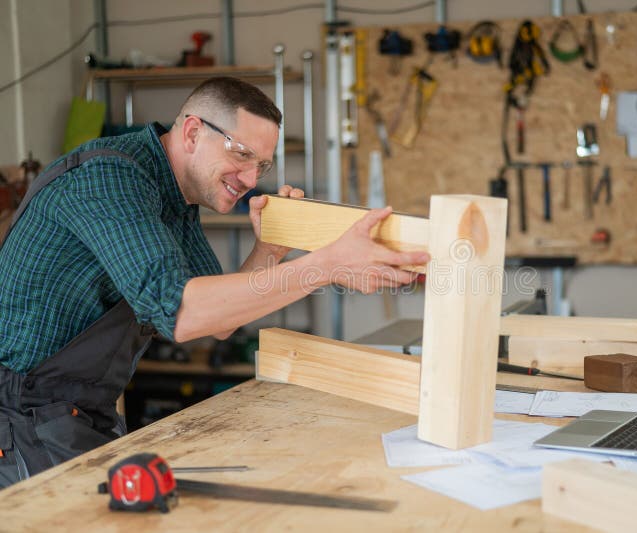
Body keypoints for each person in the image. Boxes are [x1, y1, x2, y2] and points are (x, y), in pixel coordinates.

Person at [0, 77, 428, 488]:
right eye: (241, 154)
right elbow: (184, 313)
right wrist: (327, 265)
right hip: (21, 415)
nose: (250, 178)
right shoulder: (110, 180)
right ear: (191, 133)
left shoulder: (176, 199)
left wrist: (270, 251)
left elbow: (216, 323)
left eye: (261, 164)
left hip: (74, 411)